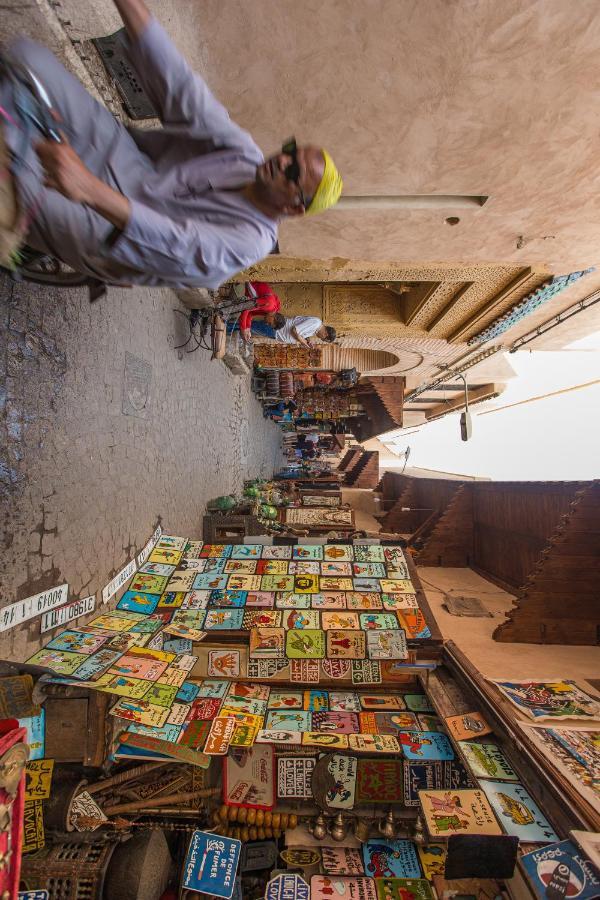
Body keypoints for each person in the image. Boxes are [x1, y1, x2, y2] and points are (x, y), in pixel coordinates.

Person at [2, 0, 343, 287]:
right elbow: (183, 89)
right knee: (26, 58)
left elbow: (175, 242)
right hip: (124, 160)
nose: (282, 161)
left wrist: (87, 188)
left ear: (296, 207)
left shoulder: (249, 242)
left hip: (116, 234)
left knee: (12, 170)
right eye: (289, 152)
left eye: (294, 171)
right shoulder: (244, 154)